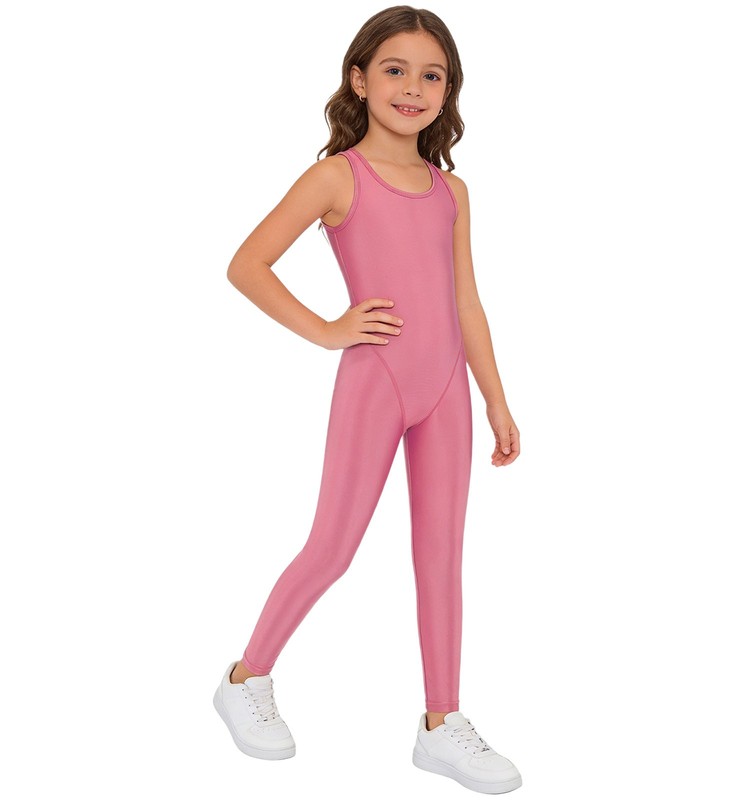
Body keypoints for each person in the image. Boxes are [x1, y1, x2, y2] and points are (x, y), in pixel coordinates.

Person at [212, 5, 522, 794]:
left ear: (448, 91)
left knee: (441, 555)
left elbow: (467, 301)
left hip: (446, 390)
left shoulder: (452, 190)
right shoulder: (336, 177)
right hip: (375, 381)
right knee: (334, 546)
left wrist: (495, 399)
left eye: (431, 75)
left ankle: (442, 725)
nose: (413, 87)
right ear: (358, 78)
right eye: (394, 70)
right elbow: (247, 264)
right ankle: (246, 678)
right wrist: (327, 330)